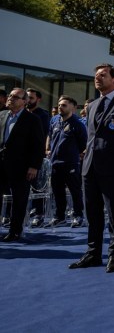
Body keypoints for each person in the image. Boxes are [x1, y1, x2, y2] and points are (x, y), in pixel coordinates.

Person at [69, 64, 114, 272]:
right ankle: (93, 253)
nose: (97, 78)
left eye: (103, 75)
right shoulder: (92, 105)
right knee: (92, 213)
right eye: (96, 76)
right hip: (89, 167)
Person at [0, 88, 45, 241]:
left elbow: (38, 145)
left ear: (24, 102)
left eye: (15, 97)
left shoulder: (32, 119)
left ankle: (15, 231)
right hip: (1, 164)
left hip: (21, 166)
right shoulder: (2, 115)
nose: (10, 98)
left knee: (19, 200)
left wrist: (34, 166)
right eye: (10, 96)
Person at [47, 95, 87, 228]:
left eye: (64, 105)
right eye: (59, 105)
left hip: (71, 164)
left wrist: (76, 155)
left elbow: (84, 144)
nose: (60, 107)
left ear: (73, 108)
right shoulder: (55, 121)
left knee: (75, 191)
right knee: (57, 191)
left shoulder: (78, 125)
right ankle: (60, 217)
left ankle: (78, 215)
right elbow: (50, 136)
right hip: (55, 163)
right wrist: (48, 149)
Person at [26, 88, 51, 227]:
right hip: (20, 157)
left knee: (37, 186)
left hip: (35, 157)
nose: (28, 100)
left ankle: (38, 214)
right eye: (27, 97)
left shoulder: (42, 115)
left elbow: (42, 137)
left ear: (38, 99)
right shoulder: (22, 113)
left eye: (31, 97)